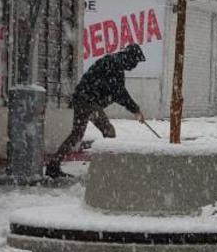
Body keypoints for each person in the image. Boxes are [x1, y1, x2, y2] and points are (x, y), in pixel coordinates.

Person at [46, 43, 146, 178]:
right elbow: (119, 92)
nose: (134, 67)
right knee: (109, 131)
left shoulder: (113, 63)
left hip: (82, 99)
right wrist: (136, 110)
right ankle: (107, 169)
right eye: (135, 62)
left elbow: (116, 92)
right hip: (88, 101)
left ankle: (53, 165)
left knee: (76, 134)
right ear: (129, 58)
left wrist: (133, 109)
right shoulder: (113, 64)